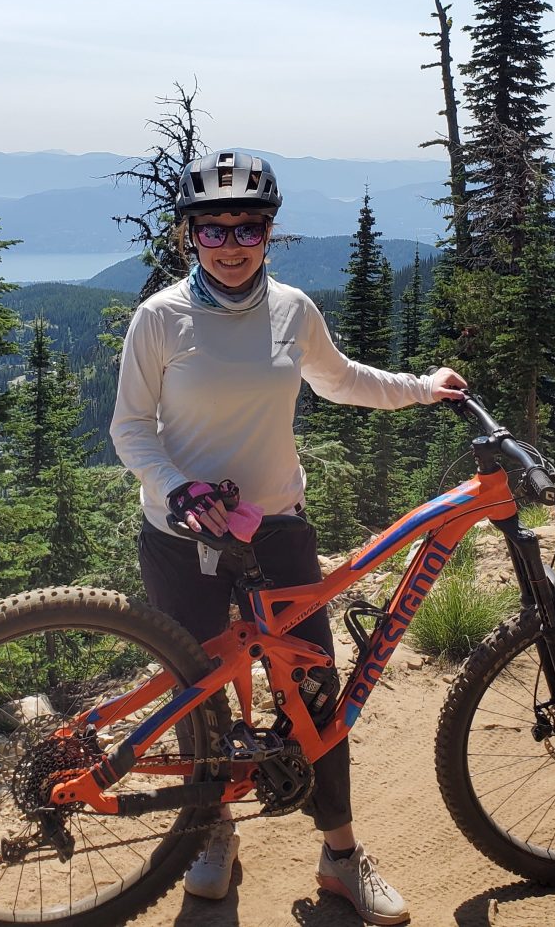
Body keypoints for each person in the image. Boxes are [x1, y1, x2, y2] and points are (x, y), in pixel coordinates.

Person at [111, 149, 465, 926]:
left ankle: (340, 854)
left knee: (312, 692)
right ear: (188, 236)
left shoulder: (293, 310)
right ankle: (213, 831)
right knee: (201, 691)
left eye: (250, 226)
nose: (232, 241)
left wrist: (422, 390)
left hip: (274, 529)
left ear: (270, 233)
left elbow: (341, 379)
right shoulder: (160, 318)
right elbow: (131, 430)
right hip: (180, 536)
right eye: (214, 228)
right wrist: (179, 490)